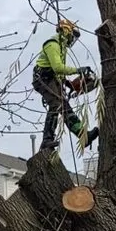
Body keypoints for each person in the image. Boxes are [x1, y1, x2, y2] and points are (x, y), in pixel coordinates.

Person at [33, 19, 99, 151]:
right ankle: (47, 140)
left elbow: (59, 73)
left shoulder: (62, 48)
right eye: (72, 35)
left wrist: (68, 84)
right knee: (56, 105)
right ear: (66, 31)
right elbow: (57, 68)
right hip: (43, 79)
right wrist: (77, 70)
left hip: (52, 79)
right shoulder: (53, 45)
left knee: (65, 108)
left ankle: (83, 136)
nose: (73, 39)